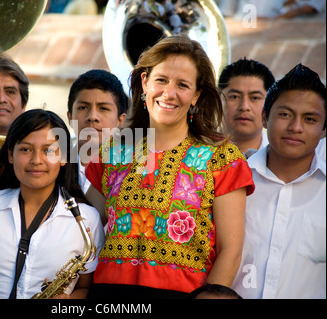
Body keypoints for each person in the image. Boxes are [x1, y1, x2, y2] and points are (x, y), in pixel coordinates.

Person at [84, 35, 255, 298]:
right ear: (144, 83)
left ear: (196, 95)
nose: (169, 93)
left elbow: (231, 251)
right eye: (161, 80)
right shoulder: (112, 152)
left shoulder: (222, 159)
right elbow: (82, 226)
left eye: (183, 85)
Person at [0, 109, 105, 299]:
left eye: (48, 150)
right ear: (10, 155)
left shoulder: (87, 220)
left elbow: (85, 288)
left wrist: (68, 300)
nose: (36, 160)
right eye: (25, 149)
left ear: (64, 157)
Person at [232, 64, 326, 299]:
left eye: (310, 119)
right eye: (284, 114)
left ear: (324, 129)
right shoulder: (233, 180)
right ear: (265, 118)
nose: (296, 127)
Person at [66, 69, 129, 193]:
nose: (92, 116)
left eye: (103, 108)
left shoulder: (132, 173)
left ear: (120, 120)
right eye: (83, 107)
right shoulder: (53, 168)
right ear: (70, 117)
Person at [218, 58, 275, 158]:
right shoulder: (196, 155)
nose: (244, 107)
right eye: (234, 96)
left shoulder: (280, 159)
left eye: (255, 98)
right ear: (218, 100)